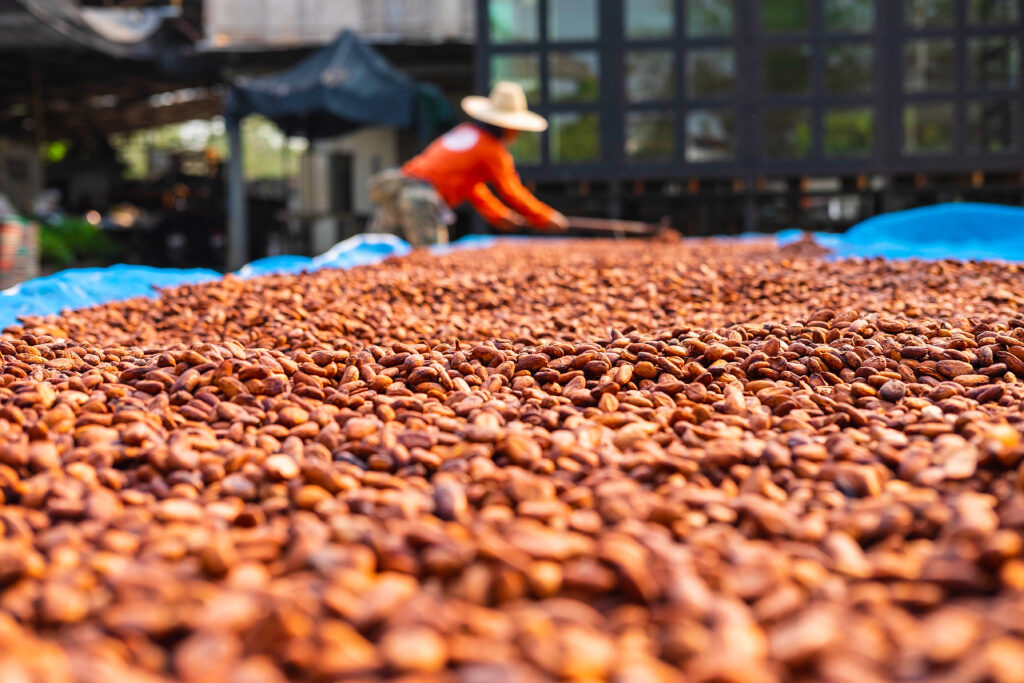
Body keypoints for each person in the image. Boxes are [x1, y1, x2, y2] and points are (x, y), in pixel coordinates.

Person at [368, 81, 569, 246]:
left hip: (398, 190)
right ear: (507, 125)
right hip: (421, 199)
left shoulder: (466, 131)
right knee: (428, 263)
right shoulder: (492, 149)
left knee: (378, 257)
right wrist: (546, 217)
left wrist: (498, 215)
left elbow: (472, 188)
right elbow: (511, 190)